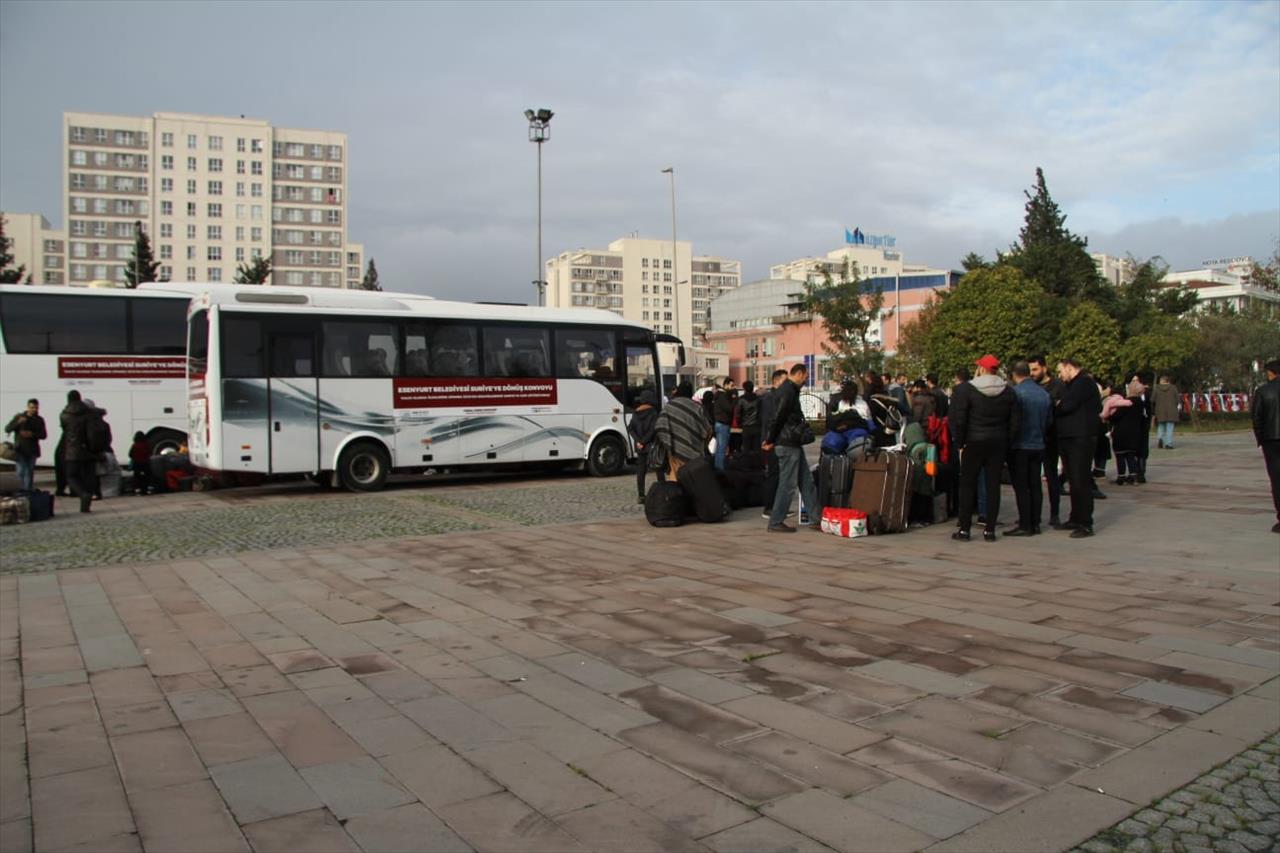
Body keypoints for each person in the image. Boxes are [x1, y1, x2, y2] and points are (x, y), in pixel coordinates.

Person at [949, 355, 1018, 542]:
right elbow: (1014, 422)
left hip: (973, 441)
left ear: (980, 369)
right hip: (998, 443)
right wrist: (1007, 442)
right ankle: (990, 530)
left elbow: (959, 419)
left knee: (967, 484)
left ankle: (964, 529)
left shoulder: (966, 390)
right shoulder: (1008, 392)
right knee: (993, 485)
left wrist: (960, 442)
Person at [763, 363, 823, 533]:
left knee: (806, 481)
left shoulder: (789, 390)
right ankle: (776, 521)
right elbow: (777, 417)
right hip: (787, 443)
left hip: (791, 443)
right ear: (799, 373)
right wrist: (770, 439)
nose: (806, 379)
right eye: (805, 376)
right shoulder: (788, 391)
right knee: (787, 484)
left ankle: (815, 517)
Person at [1055, 358, 1102, 538]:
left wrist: (1059, 405)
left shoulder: (1083, 383)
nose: (1060, 375)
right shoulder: (1076, 384)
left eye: (1061, 371)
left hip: (1080, 438)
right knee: (1074, 480)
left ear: (1069, 367)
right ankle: (1075, 517)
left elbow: (1066, 405)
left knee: (1080, 480)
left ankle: (1085, 523)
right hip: (1071, 437)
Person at [1006, 361, 1051, 536]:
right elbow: (1049, 421)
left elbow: (1012, 421)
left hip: (1020, 445)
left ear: (1014, 375)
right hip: (1038, 443)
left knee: (1021, 486)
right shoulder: (1043, 394)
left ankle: (1025, 523)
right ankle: (1036, 521)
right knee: (1035, 484)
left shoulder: (1016, 393)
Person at [1029, 355, 1066, 527]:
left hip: (1051, 437)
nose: (1032, 373)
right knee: (1032, 478)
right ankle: (1032, 513)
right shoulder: (1031, 386)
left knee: (1051, 477)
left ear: (1044, 367)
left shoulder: (1057, 385)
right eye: (1030, 370)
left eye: (1035, 369)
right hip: (1034, 436)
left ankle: (1054, 514)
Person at [654, 381, 711, 482]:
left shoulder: (669, 406)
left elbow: (660, 426)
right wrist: (703, 445)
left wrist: (668, 444)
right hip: (695, 454)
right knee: (693, 482)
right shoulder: (697, 408)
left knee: (676, 480)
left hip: (675, 452)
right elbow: (708, 430)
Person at [1251, 359, 1280, 533]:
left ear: (1271, 373)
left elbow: (1256, 418)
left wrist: (1260, 439)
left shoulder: (1262, 391)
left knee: (1276, 479)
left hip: (1271, 440)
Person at [757, 369, 788, 519]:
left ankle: (778, 506)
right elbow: (770, 421)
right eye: (784, 380)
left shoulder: (778, 396)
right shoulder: (770, 398)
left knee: (780, 474)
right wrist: (768, 440)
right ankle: (769, 508)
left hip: (777, 441)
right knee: (773, 474)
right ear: (776, 381)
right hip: (769, 442)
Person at [59, 390, 95, 513]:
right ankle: (86, 502)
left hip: (72, 450)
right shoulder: (88, 413)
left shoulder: (65, 415)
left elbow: (65, 430)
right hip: (88, 449)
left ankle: (83, 494)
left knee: (71, 475)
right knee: (87, 475)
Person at [1109, 378, 1147, 486]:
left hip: (1122, 432)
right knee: (1130, 455)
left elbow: (1115, 416)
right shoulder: (1141, 404)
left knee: (1120, 455)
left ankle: (1121, 477)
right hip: (1134, 432)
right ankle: (1133, 476)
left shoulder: (1127, 403)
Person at [4, 398, 47, 493]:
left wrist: (32, 434)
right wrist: (18, 422)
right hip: (20, 450)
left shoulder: (39, 420)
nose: (34, 410)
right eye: (32, 408)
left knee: (30, 471)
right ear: (28, 407)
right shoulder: (19, 417)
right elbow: (7, 429)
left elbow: (44, 435)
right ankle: (20, 490)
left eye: (36, 408)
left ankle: (28, 491)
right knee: (21, 471)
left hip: (32, 450)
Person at [712, 378, 736, 471]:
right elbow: (729, 408)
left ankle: (717, 467)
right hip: (723, 424)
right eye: (731, 385)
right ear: (725, 385)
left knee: (719, 448)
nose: (733, 388)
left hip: (719, 423)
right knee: (722, 448)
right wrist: (734, 399)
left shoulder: (719, 395)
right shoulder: (723, 396)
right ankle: (720, 470)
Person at [1152, 375, 1180, 450]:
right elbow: (1177, 399)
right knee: (1169, 427)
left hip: (1160, 410)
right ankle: (1168, 444)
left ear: (1161, 381)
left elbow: (1152, 399)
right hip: (1171, 410)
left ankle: (1160, 438)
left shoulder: (1157, 388)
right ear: (1168, 381)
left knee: (1161, 425)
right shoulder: (1173, 388)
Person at [737, 381, 761, 455]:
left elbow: (738, 413)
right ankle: (756, 465)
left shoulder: (741, 399)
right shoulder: (758, 399)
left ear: (744, 389)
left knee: (746, 449)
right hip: (756, 426)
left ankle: (746, 465)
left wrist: (740, 423)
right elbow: (761, 412)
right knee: (756, 449)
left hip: (746, 427)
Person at [129, 431, 153, 496]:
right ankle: (147, 489)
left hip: (137, 463)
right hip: (146, 463)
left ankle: (137, 490)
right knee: (147, 476)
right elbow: (150, 453)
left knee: (137, 477)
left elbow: (130, 454)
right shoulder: (146, 445)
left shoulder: (134, 445)